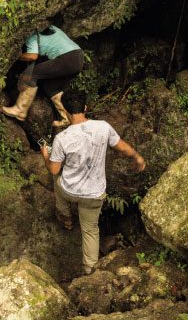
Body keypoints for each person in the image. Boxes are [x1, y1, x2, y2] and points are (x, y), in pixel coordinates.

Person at [40, 90, 145, 274]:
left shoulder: (62, 138)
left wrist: (46, 156)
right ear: (86, 108)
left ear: (64, 110)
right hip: (93, 195)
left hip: (69, 190)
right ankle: (90, 271)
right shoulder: (103, 127)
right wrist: (137, 157)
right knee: (90, 231)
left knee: (58, 177)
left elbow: (54, 169)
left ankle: (65, 216)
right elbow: (120, 146)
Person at [1, 24, 83, 128]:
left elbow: (32, 56)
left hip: (66, 59)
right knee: (50, 87)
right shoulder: (53, 27)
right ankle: (67, 118)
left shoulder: (31, 36)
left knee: (33, 74)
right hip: (78, 58)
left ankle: (20, 110)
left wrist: (16, 57)